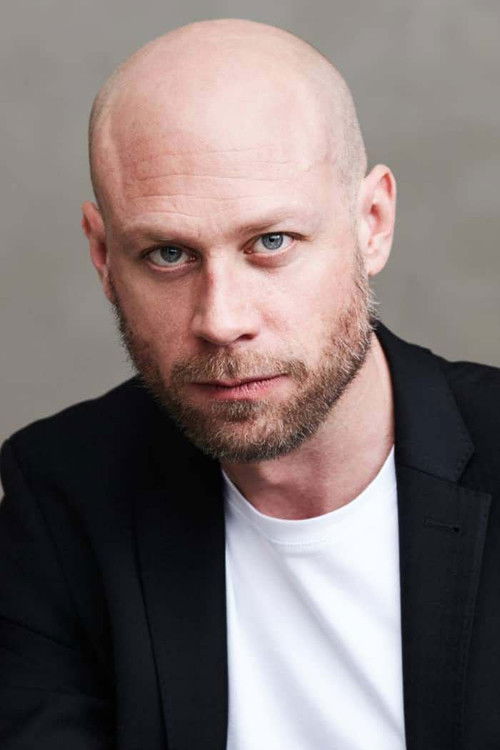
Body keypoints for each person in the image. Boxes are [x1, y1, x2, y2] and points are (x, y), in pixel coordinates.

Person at [0, 17, 499, 750]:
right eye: (168, 254)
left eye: (271, 242)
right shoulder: (61, 496)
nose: (221, 321)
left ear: (373, 222)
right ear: (104, 258)